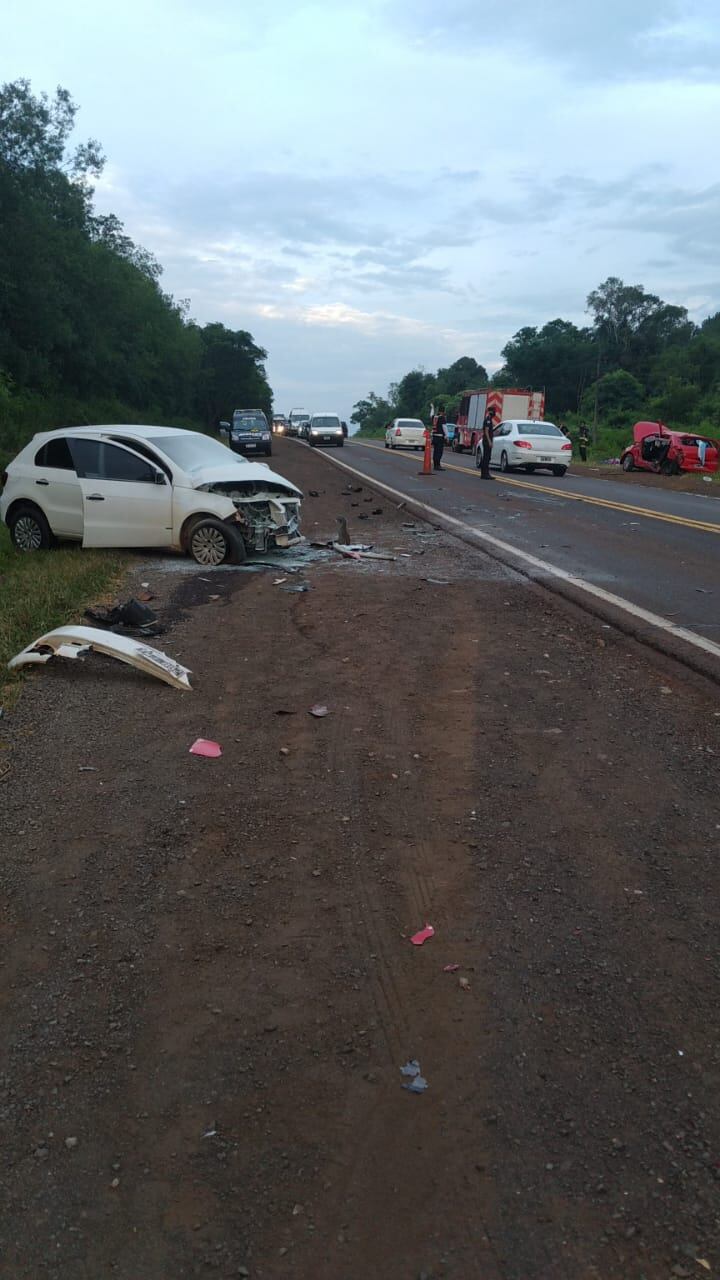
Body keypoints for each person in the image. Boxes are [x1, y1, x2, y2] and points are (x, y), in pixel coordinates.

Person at [480, 406, 495, 478]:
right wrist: (489, 441)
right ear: (490, 412)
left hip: (486, 441)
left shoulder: (489, 419)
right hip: (486, 441)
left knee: (486, 457)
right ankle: (485, 474)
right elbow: (486, 431)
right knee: (486, 458)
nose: (494, 413)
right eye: (493, 411)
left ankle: (484, 474)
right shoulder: (488, 420)